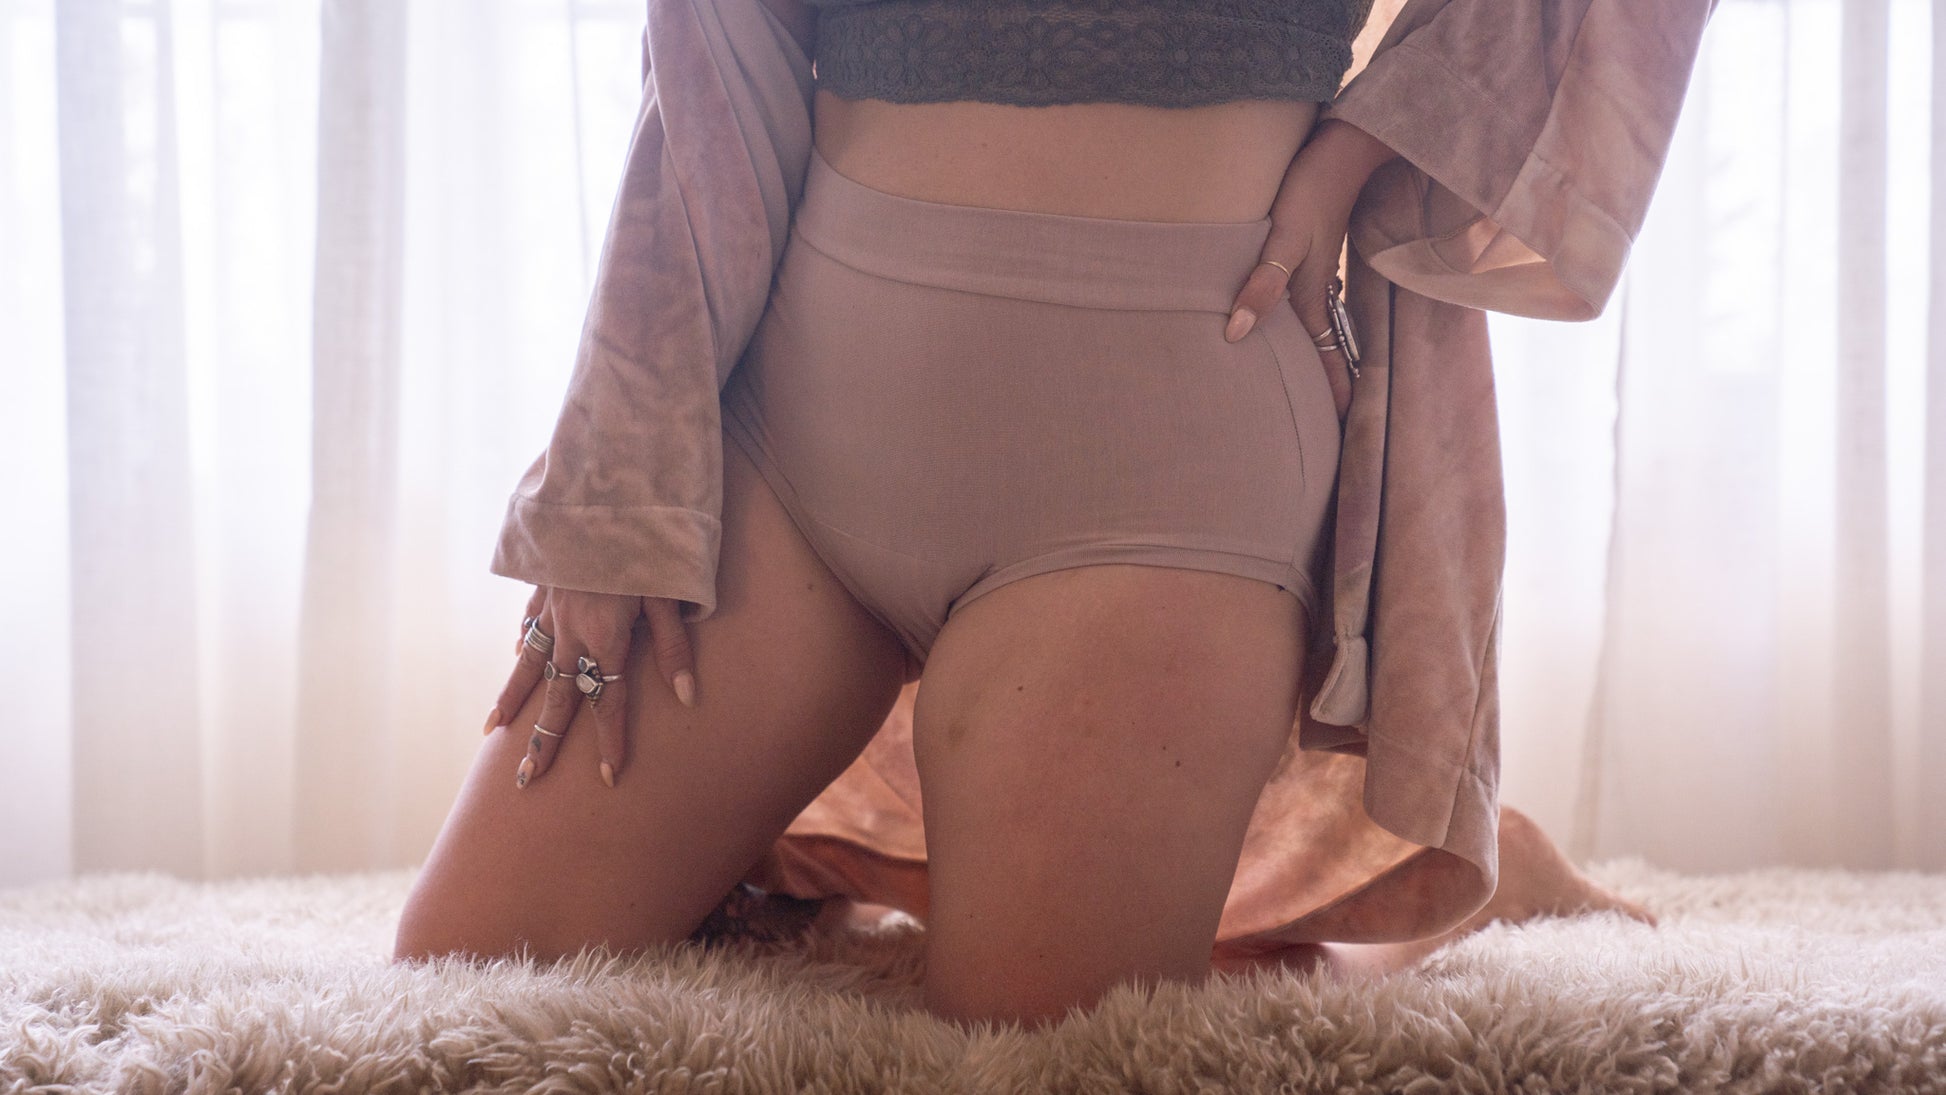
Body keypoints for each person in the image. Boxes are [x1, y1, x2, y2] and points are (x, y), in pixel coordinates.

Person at [395, 0, 1707, 1026]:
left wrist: (1361, 149)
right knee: (467, 968)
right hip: (788, 449)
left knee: (1044, 1052)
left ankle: (1432, 899)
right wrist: (613, 485)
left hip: (1163, 475)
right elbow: (702, 77)